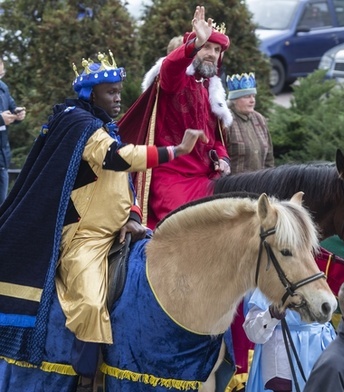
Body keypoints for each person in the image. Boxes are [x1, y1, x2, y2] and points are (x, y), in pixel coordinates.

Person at [0, 51, 204, 378]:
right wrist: (175, 152)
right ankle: (85, 377)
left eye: (120, 91)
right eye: (111, 92)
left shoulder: (102, 126)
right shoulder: (79, 124)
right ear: (90, 94)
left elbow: (121, 184)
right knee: (91, 305)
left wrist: (134, 217)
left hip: (121, 230)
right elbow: (118, 159)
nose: (118, 98)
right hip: (85, 237)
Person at [118, 5, 233, 228]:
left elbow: (217, 141)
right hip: (172, 180)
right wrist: (194, 44)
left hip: (208, 180)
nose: (211, 54)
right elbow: (170, 66)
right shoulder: (176, 80)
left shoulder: (212, 90)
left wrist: (224, 160)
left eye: (217, 50)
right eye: (206, 47)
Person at [243, 288, 336, 392]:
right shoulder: (267, 286)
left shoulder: (318, 281)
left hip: (321, 358)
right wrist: (271, 315)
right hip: (282, 367)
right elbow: (253, 334)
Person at [226, 72, 274, 173]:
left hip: (260, 184)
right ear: (234, 100)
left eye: (253, 96)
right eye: (247, 96)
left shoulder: (259, 119)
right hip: (234, 185)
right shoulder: (226, 120)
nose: (252, 100)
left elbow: (269, 158)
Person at [0, 58, 26, 204]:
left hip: (2, 157)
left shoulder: (3, 88)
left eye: (1, 74)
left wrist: (17, 115)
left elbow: (11, 108)